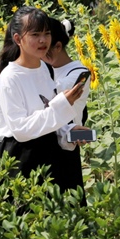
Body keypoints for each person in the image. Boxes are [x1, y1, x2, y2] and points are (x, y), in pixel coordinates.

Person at [0, 6, 88, 194]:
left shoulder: (44, 69)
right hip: (21, 161)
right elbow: (20, 130)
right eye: (35, 34)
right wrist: (62, 105)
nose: (43, 40)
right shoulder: (10, 78)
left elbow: (46, 112)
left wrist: (68, 130)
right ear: (18, 39)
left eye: (46, 33)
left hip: (49, 158)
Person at [45, 17, 93, 186]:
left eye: (43, 47)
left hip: (64, 150)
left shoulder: (81, 74)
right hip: (44, 146)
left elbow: (49, 98)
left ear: (58, 47)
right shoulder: (44, 69)